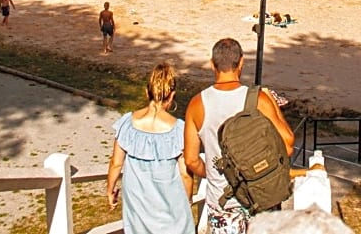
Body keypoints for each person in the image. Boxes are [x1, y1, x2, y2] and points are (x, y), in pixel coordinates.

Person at [184, 38, 295, 234]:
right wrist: (273, 104)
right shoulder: (258, 99)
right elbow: (287, 145)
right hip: (261, 199)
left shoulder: (196, 104)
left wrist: (213, 173)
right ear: (241, 63)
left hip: (222, 204)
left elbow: (191, 160)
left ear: (212, 64)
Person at [107, 63, 194, 234]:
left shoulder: (127, 124)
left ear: (147, 92)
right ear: (172, 96)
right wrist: (188, 200)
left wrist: (110, 189)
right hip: (170, 210)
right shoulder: (178, 130)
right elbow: (185, 173)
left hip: (138, 209)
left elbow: (116, 163)